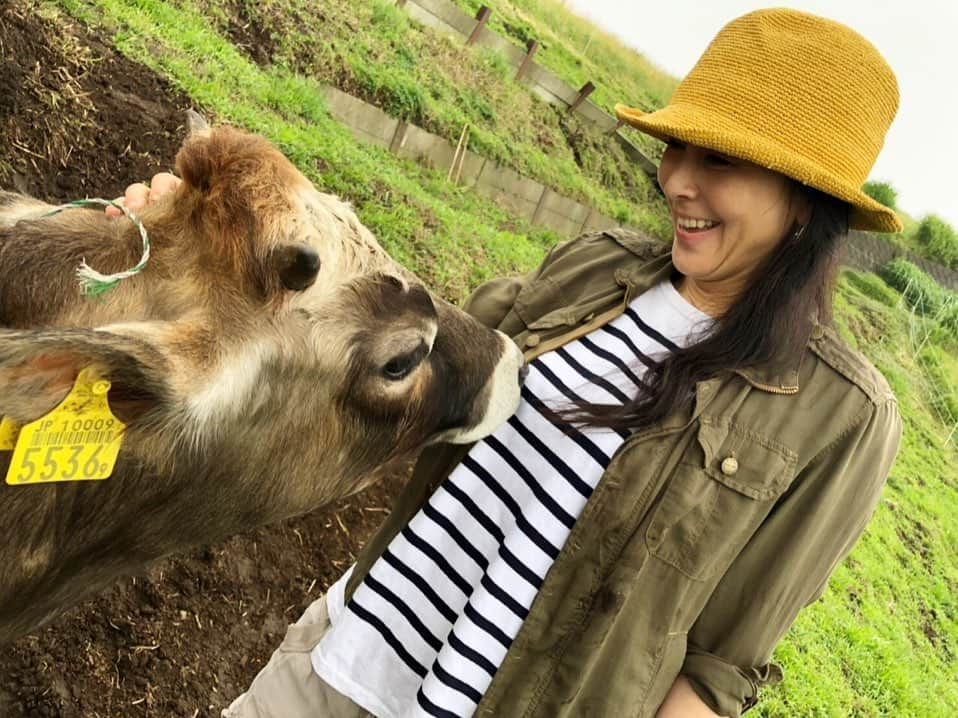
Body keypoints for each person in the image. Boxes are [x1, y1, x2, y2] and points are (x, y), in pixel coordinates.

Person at [115, 8, 903, 716]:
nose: (677, 180)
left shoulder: (840, 417)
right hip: (344, 658)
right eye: (676, 147)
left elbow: (719, 670)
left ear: (808, 203)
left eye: (722, 162)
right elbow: (401, 352)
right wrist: (182, 251)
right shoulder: (599, 267)